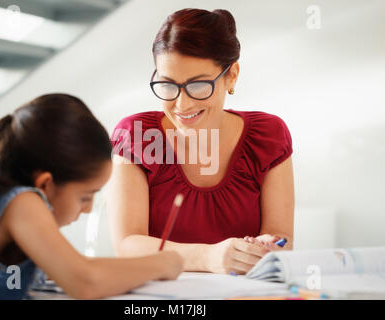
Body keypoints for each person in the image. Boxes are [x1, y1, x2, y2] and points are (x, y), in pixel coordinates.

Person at [0, 94, 183, 300]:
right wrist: (162, 264)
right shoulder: (21, 202)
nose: (88, 210)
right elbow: (85, 280)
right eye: (86, 197)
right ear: (45, 184)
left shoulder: (2, 202)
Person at [108, 8, 294, 275]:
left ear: (232, 75)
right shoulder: (136, 134)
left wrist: (267, 248)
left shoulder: (269, 135)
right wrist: (207, 257)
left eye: (197, 86)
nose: (182, 105)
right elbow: (127, 244)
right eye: (167, 84)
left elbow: (280, 238)